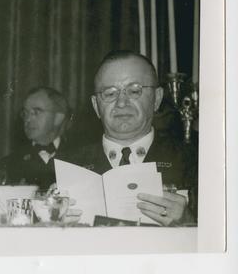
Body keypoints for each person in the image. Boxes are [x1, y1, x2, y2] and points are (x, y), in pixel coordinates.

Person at [67, 51, 197, 226]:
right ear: (96, 105)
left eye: (134, 90)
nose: (121, 103)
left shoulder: (194, 161)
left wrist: (188, 223)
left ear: (157, 99)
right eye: (110, 93)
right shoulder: (66, 165)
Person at [0, 86, 70, 191]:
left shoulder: (80, 158)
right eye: (25, 113)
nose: (28, 119)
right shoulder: (8, 164)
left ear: (58, 118)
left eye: (36, 112)